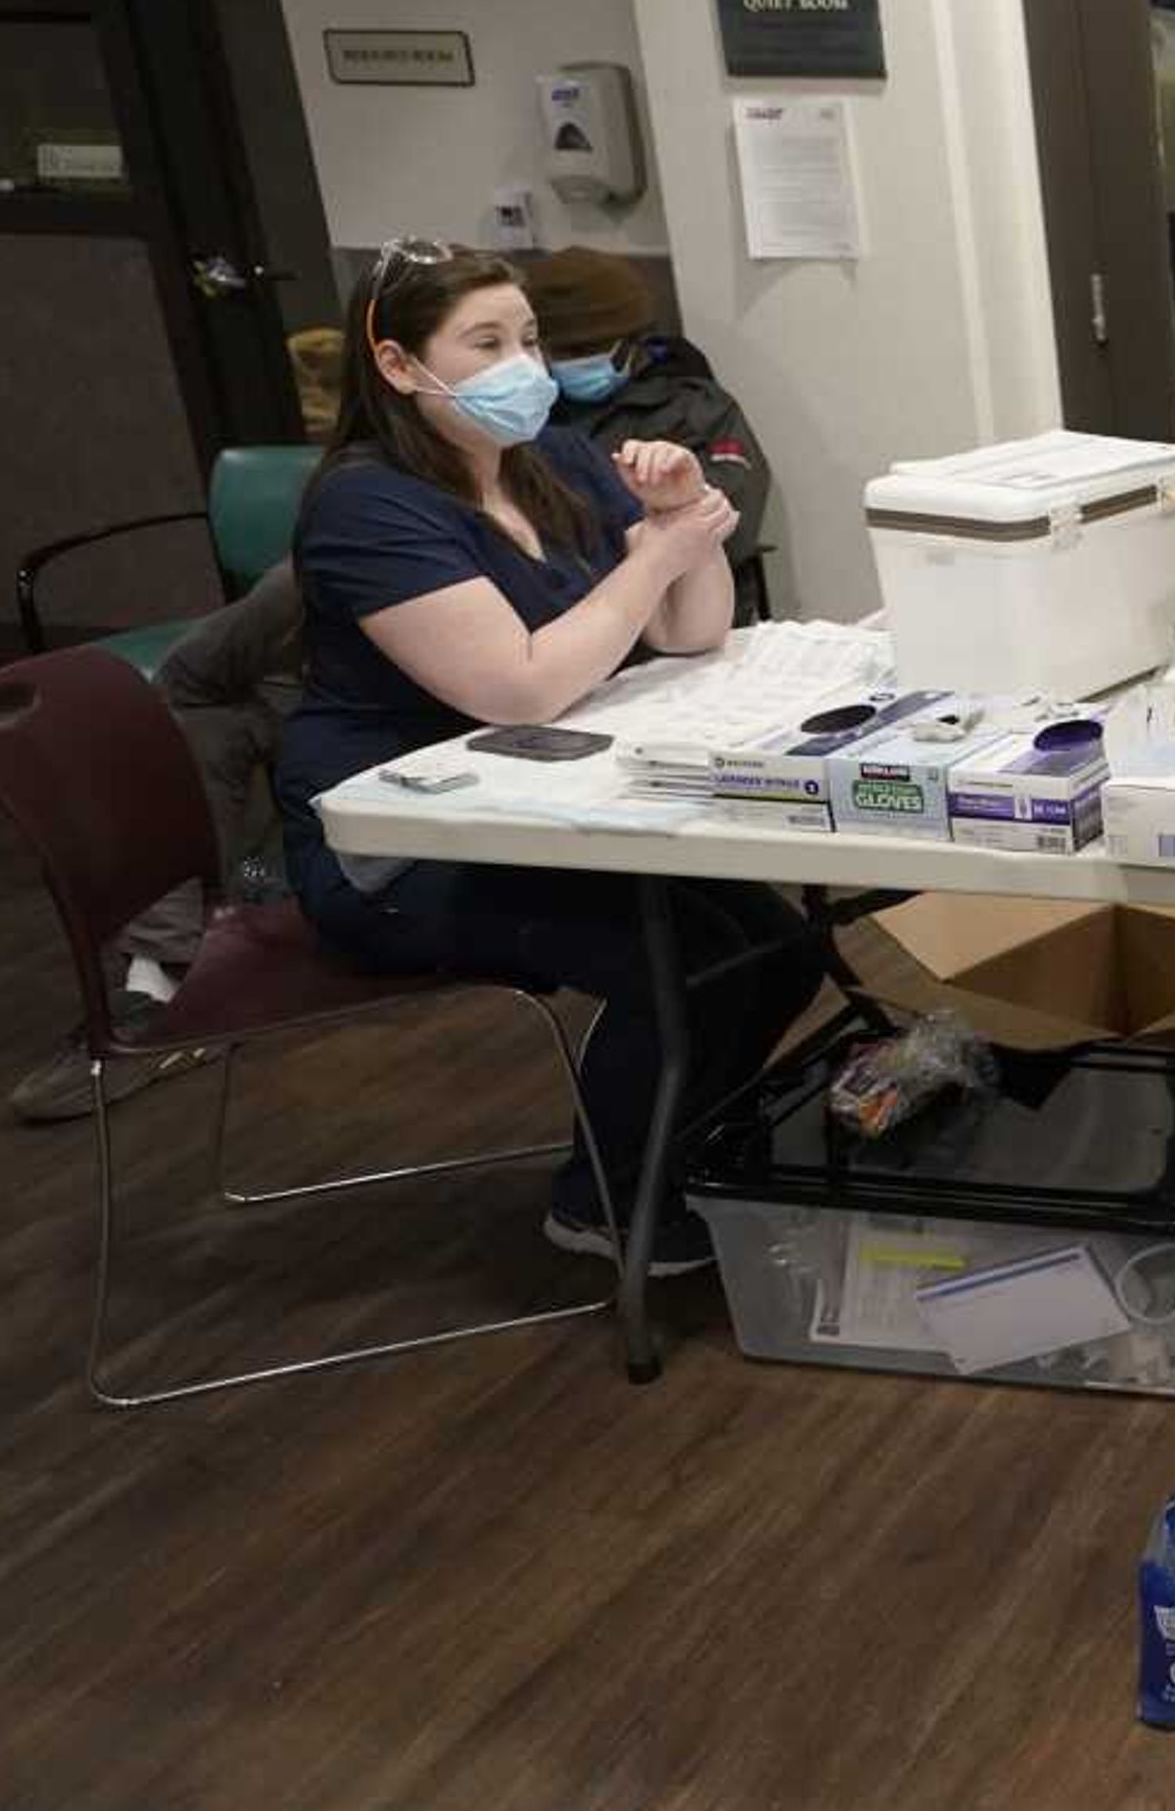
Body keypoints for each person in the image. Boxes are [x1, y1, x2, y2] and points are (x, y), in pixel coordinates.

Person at [276, 239, 824, 1272]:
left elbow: (688, 632)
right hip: (406, 843)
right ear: (397, 364)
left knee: (778, 949)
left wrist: (676, 523)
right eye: (484, 343)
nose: (521, 364)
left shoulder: (555, 462)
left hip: (549, 805)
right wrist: (654, 556)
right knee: (691, 966)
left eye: (527, 337)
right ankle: (608, 1203)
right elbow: (520, 685)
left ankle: (685, 1157)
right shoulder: (368, 504)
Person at [5, 563, 305, 1122]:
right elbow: (185, 678)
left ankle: (183, 973)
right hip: (329, 705)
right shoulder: (322, 561)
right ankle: (165, 979)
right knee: (195, 723)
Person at [524, 247, 775, 576]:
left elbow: (728, 527)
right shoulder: (527, 419)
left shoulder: (696, 408)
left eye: (590, 349)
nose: (575, 362)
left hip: (691, 595)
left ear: (633, 342)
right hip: (569, 606)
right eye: (561, 351)